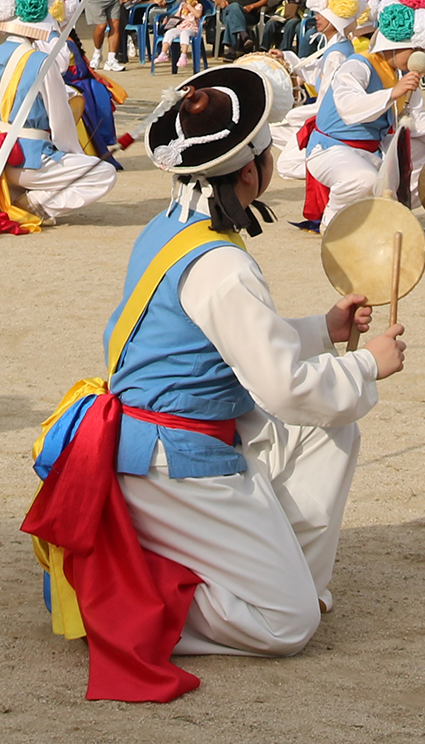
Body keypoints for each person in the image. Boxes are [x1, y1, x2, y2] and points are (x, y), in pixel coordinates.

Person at [20, 59, 399, 701]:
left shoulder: (172, 228)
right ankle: (126, 599)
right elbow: (281, 387)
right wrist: (365, 364)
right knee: (288, 625)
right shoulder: (222, 262)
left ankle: (282, 576)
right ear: (249, 170)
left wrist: (321, 330)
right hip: (172, 459)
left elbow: (220, 341)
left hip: (160, 437)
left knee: (328, 435)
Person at [0, 0, 117, 229]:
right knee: (104, 173)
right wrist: (75, 156)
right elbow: (61, 121)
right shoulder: (42, 62)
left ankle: (17, 195)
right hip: (32, 159)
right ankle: (36, 204)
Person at [293, 0, 425, 228]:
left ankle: (385, 215)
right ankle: (333, 221)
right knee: (363, 180)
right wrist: (392, 94)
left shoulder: (401, 75)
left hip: (371, 150)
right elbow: (348, 108)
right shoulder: (358, 65)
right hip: (331, 148)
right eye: (416, 50)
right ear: (394, 45)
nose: (420, 58)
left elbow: (416, 117)